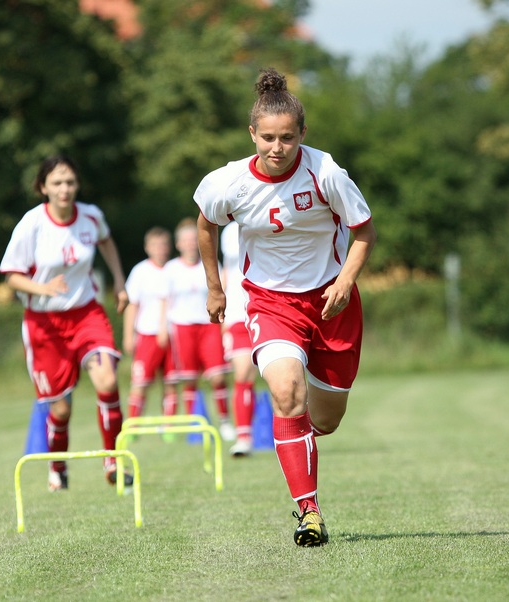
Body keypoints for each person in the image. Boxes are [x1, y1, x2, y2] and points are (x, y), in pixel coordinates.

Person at [194, 68, 377, 547]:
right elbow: (205, 225)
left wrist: (345, 281)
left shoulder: (326, 173)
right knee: (286, 392)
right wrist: (216, 288)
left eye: (288, 139)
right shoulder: (229, 182)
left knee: (326, 420)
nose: (277, 149)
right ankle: (309, 511)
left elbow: (364, 232)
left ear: (303, 135)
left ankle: (303, 436)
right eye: (268, 138)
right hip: (270, 303)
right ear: (252, 134)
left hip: (331, 303)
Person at [0, 155, 133, 491]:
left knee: (106, 379)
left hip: (86, 313)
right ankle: (57, 467)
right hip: (44, 324)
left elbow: (106, 242)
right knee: (60, 409)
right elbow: (12, 277)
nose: (65, 189)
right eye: (57, 183)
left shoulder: (91, 216)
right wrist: (41, 288)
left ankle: (112, 461)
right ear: (43, 187)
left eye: (70, 182)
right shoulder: (32, 224)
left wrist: (119, 281)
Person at [163, 218, 236, 442]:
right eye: (184, 240)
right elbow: (165, 301)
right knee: (189, 378)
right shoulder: (171, 269)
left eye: (193, 239)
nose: (189, 244)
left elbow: (224, 291)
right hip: (183, 327)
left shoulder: (211, 264)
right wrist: (163, 327)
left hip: (209, 325)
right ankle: (194, 421)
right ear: (178, 244)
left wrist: (225, 324)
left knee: (217, 376)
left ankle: (224, 421)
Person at [123, 227, 179, 421]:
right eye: (155, 245)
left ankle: (169, 425)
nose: (160, 249)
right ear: (147, 248)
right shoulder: (140, 271)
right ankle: (133, 424)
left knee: (171, 381)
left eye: (163, 245)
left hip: (174, 334)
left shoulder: (175, 269)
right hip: (148, 333)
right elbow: (132, 305)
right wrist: (128, 335)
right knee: (140, 382)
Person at [220, 220, 258, 457]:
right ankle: (243, 437)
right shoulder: (228, 231)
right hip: (236, 313)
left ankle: (289, 432)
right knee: (243, 373)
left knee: (282, 380)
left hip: (267, 308)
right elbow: (226, 270)